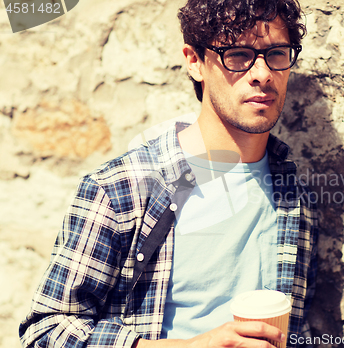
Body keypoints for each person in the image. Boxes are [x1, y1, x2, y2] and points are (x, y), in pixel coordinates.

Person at [19, 0, 318, 347]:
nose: (262, 73)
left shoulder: (294, 196)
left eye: (277, 53)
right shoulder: (122, 189)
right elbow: (45, 332)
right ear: (195, 62)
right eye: (238, 54)